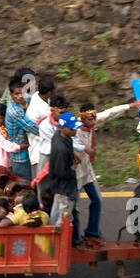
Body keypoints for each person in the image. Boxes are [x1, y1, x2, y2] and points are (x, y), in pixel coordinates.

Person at [75, 100, 135, 248]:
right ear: (81, 118)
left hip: (87, 171)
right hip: (74, 173)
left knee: (97, 200)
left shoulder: (93, 122)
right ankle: (74, 239)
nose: (93, 120)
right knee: (73, 208)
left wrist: (130, 106)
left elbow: (110, 113)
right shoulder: (74, 130)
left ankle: (92, 232)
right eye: (89, 118)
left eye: (94, 117)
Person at [47, 110, 83, 244]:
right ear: (64, 128)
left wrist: (73, 153)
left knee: (56, 213)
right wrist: (73, 168)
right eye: (72, 129)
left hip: (59, 187)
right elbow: (61, 173)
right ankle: (58, 245)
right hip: (65, 187)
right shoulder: (60, 149)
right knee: (64, 217)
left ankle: (51, 239)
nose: (75, 131)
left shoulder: (59, 135)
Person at [4, 76, 39, 181]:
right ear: (11, 95)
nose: (20, 96)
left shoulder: (27, 99)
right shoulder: (14, 111)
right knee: (25, 184)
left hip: (29, 148)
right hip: (20, 155)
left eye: (22, 93)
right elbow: (32, 128)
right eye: (16, 94)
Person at [26, 74, 56, 177]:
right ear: (48, 93)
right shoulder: (34, 110)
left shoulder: (44, 99)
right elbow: (36, 131)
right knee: (42, 183)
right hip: (38, 150)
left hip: (50, 147)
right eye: (53, 91)